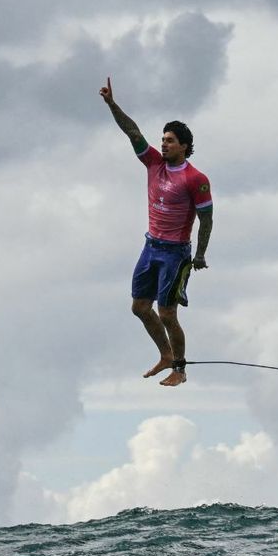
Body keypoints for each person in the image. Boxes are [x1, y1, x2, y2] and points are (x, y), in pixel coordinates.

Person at [99, 77, 213, 387]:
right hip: (151, 247)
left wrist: (200, 254)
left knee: (167, 313)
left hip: (175, 253)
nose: (163, 144)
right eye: (163, 139)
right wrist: (112, 105)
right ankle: (165, 354)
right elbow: (132, 131)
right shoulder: (153, 163)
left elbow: (207, 218)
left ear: (184, 147)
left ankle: (180, 368)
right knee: (139, 307)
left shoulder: (195, 178)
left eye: (170, 141)